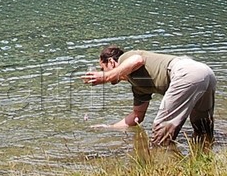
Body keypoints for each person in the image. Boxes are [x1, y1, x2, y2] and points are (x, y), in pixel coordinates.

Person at [83, 45, 215, 147]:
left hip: (184, 72)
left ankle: (162, 165)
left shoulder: (126, 57)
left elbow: (138, 60)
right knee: (202, 128)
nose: (102, 72)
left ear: (111, 62)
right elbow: (137, 116)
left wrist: (106, 76)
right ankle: (206, 157)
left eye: (103, 68)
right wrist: (110, 128)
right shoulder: (138, 86)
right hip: (205, 72)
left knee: (161, 133)